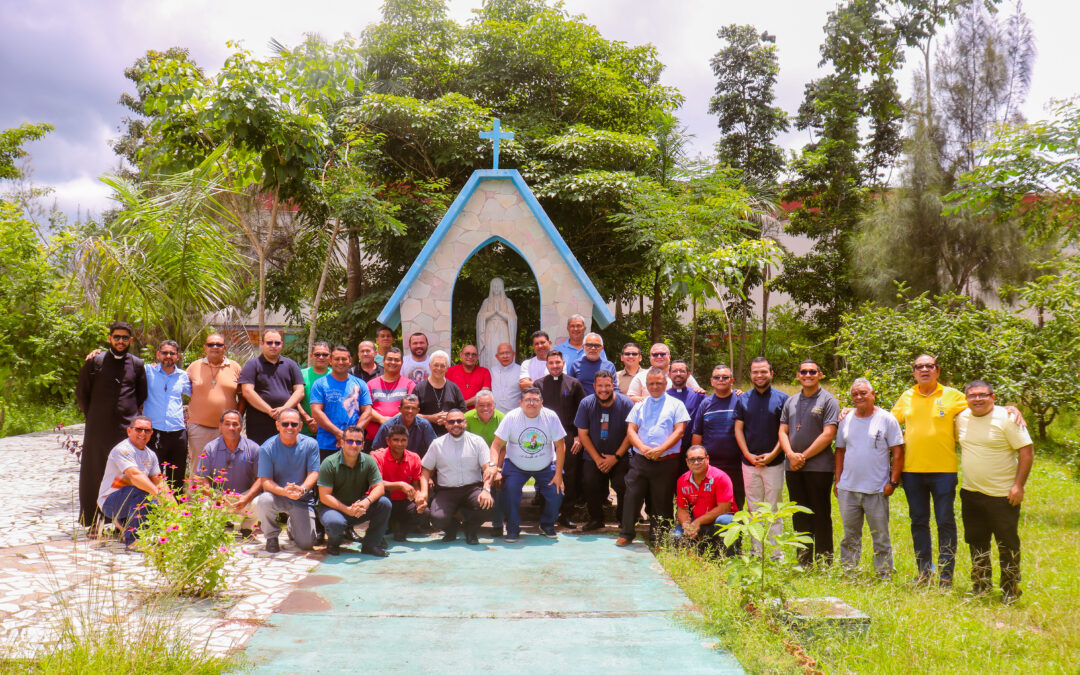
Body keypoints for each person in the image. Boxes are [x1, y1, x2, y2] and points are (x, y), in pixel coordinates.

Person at [890, 354, 1023, 586]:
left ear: (937, 371)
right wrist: (852, 410)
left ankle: (945, 575)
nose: (924, 370)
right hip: (912, 472)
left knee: (945, 521)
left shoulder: (953, 396)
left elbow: (980, 402)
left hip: (944, 472)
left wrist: (1009, 408)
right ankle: (924, 572)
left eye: (929, 366)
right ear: (913, 372)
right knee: (918, 521)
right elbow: (887, 421)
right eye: (919, 367)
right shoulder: (907, 396)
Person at [956, 380, 1033, 603]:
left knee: (1007, 544)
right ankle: (981, 585)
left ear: (993, 397)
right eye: (972, 395)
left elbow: (1026, 453)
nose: (977, 399)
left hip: (1002, 496)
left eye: (982, 395)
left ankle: (1010, 590)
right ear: (966, 399)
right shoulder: (962, 418)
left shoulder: (1008, 418)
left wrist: (1018, 485)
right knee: (976, 541)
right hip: (971, 493)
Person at [76, 321, 148, 529]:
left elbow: (141, 394)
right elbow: (82, 393)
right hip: (98, 428)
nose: (120, 341)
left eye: (125, 338)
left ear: (131, 341)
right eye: (116, 337)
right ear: (109, 338)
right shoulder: (95, 362)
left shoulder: (136, 364)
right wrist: (93, 414)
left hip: (125, 429)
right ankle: (95, 522)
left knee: (124, 474)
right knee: (95, 472)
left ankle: (123, 522)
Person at [834, 379, 904, 578]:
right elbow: (840, 451)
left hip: (876, 489)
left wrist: (893, 482)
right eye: (855, 394)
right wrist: (837, 481)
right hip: (848, 488)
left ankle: (884, 573)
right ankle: (849, 572)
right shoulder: (846, 419)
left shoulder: (886, 419)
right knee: (850, 535)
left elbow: (898, 452)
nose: (859, 397)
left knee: (880, 535)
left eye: (863, 393)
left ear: (873, 394)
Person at [616, 368, 691, 546]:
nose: (655, 386)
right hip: (641, 460)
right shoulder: (640, 405)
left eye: (659, 383)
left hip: (666, 461)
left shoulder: (676, 405)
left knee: (662, 499)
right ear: (646, 385)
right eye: (651, 383)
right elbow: (631, 431)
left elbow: (679, 431)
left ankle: (660, 537)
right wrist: (643, 447)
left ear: (666, 384)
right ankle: (627, 533)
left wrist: (660, 449)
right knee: (632, 495)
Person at [779, 360, 840, 567]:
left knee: (820, 513)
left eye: (812, 371)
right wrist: (790, 454)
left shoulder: (829, 400)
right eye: (803, 371)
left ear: (820, 374)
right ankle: (803, 559)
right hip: (793, 468)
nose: (808, 375)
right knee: (799, 513)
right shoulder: (791, 401)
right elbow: (782, 431)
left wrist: (801, 456)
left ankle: (824, 560)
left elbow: (829, 434)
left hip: (818, 467)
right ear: (798, 375)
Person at [490, 387, 567, 542]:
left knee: (556, 492)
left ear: (541, 403)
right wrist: (494, 467)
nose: (531, 403)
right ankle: (512, 528)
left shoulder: (551, 417)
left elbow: (560, 446)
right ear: (521, 403)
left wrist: (558, 474)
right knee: (509, 490)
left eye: (535, 400)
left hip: (545, 465)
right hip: (515, 465)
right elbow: (496, 445)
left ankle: (547, 524)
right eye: (527, 400)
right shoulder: (511, 417)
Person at [734, 357, 788, 556]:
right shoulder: (743, 399)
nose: (759, 375)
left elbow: (785, 431)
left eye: (763, 371)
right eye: (755, 372)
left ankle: (776, 554)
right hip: (749, 463)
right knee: (753, 509)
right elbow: (738, 429)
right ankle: (757, 552)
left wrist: (773, 454)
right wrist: (747, 454)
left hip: (774, 463)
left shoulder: (783, 399)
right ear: (750, 375)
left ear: (771, 373)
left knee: (773, 508)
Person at [419, 409, 495, 545]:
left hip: (472, 489)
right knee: (437, 518)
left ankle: (471, 529)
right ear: (446, 425)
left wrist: (486, 490)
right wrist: (423, 493)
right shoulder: (437, 444)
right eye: (451, 421)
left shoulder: (477, 441)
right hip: (447, 491)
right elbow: (425, 471)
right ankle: (452, 528)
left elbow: (487, 469)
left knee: (488, 505)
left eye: (459, 421)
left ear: (465, 423)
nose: (456, 424)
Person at [317, 425, 391, 556]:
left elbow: (379, 487)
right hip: (332, 509)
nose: (354, 445)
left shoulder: (368, 460)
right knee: (335, 522)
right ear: (341, 443)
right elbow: (324, 496)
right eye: (350, 441)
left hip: (358, 507)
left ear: (363, 445)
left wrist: (367, 502)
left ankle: (370, 545)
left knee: (384, 503)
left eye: (358, 442)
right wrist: (347, 510)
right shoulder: (328, 463)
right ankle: (333, 544)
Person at [252, 409, 320, 553]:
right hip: (277, 496)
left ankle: (292, 526)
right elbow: (266, 481)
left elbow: (314, 473)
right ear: (278, 425)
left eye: (294, 424)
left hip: (301, 497)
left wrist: (301, 489)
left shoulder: (311, 444)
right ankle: (271, 536)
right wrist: (284, 491)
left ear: (300, 426)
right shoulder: (267, 448)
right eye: (285, 424)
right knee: (264, 500)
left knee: (307, 544)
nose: (289, 427)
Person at [575, 370, 634, 530]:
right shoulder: (586, 403)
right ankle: (596, 519)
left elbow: (631, 434)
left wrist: (615, 457)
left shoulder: (626, 403)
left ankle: (624, 519)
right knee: (589, 482)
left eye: (607, 385)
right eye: (599, 386)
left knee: (622, 483)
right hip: (594, 456)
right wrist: (598, 459)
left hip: (619, 455)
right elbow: (583, 434)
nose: (603, 389)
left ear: (613, 385)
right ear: (594, 386)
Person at [97, 416, 170, 546]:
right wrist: (159, 495)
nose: (143, 433)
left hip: (132, 498)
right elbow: (135, 476)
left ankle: (124, 522)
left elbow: (160, 483)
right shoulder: (122, 449)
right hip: (110, 501)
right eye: (139, 429)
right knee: (142, 490)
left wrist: (173, 506)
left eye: (147, 431)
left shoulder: (151, 455)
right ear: (129, 431)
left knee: (157, 506)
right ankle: (133, 541)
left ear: (151, 433)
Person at [535, 350, 586, 528]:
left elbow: (583, 412)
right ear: (546, 365)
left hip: (569, 436)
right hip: (544, 437)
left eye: (558, 362)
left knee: (570, 475)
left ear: (563, 363)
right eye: (551, 363)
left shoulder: (574, 384)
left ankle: (567, 513)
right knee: (545, 473)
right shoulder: (538, 385)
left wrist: (580, 436)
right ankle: (547, 512)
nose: (555, 366)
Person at [194, 409, 262, 537]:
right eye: (227, 424)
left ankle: (247, 528)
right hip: (219, 496)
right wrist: (218, 497)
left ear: (241, 426)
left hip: (244, 496)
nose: (231, 428)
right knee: (203, 504)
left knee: (262, 501)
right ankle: (215, 528)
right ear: (220, 427)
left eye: (235, 424)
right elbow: (202, 480)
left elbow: (261, 478)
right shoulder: (210, 448)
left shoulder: (253, 448)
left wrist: (246, 498)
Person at [186, 333, 244, 479]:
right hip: (199, 427)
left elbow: (243, 396)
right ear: (205, 348)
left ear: (224, 348)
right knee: (198, 468)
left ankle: (223, 500)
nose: (215, 347)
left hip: (227, 429)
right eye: (211, 344)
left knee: (226, 467)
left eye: (219, 345)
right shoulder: (194, 366)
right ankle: (196, 501)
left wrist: (238, 418)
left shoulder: (235, 367)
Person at [239, 330, 306, 445]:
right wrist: (269, 411)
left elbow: (299, 391)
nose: (273, 346)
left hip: (286, 425)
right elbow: (247, 392)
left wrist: (284, 409)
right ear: (262, 344)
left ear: (282, 345)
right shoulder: (252, 365)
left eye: (277, 343)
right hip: (259, 426)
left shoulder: (291, 365)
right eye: (269, 343)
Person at [692, 364, 743, 509]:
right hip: (711, 466)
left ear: (732, 380)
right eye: (717, 377)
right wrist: (697, 460)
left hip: (737, 464)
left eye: (725, 377)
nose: (721, 380)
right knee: (711, 503)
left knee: (736, 502)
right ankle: (711, 531)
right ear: (711, 381)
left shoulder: (741, 400)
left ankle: (737, 531)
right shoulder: (705, 404)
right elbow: (697, 434)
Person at [143, 340, 191, 490]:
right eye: (165, 353)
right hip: (154, 432)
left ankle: (176, 511)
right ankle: (151, 511)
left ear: (178, 356)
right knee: (152, 477)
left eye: (172, 353)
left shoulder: (183, 376)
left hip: (177, 433)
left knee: (176, 478)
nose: (168, 356)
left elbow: (198, 393)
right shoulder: (147, 371)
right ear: (158, 355)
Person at [310, 345, 373, 461]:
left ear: (350, 361)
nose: (340, 362)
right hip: (326, 444)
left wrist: (352, 435)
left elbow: (368, 412)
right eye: (336, 359)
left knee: (354, 478)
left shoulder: (360, 384)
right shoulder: (320, 384)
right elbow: (316, 412)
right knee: (327, 478)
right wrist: (339, 434)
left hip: (354, 444)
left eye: (344, 359)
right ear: (330, 361)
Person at [671, 445, 736, 553]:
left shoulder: (720, 477)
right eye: (692, 460)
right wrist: (687, 525)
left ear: (707, 459)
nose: (696, 462)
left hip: (719, 521)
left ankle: (729, 556)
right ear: (687, 462)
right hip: (698, 522)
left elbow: (724, 508)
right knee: (676, 535)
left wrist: (698, 522)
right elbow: (682, 508)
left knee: (724, 521)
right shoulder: (682, 480)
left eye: (700, 459)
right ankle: (697, 555)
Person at [371, 424, 425, 541]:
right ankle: (386, 526)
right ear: (388, 441)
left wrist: (419, 498)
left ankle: (400, 527)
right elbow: (376, 483)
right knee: (383, 503)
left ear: (407, 441)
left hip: (404, 500)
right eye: (395, 440)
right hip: (385, 500)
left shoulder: (414, 458)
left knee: (424, 512)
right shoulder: (377, 457)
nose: (400, 444)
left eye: (403, 440)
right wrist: (400, 484)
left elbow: (416, 485)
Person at [465, 390, 506, 536]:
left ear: (494, 405)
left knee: (499, 484)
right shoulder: (467, 418)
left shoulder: (502, 418)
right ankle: (468, 521)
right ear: (475, 406)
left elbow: (503, 448)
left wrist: (498, 469)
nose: (485, 408)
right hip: (472, 462)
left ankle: (497, 524)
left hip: (496, 462)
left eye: (489, 404)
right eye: (481, 405)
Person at [365, 347, 414, 441]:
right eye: (389, 359)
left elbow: (410, 409)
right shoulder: (371, 384)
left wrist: (391, 421)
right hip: (374, 440)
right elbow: (366, 408)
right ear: (383, 361)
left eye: (397, 360)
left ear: (402, 363)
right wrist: (381, 419)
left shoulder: (409, 384)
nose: (393, 362)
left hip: (400, 441)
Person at [626, 343, 704, 402]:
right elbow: (630, 398)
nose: (659, 357)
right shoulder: (640, 377)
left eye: (662, 354)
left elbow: (697, 391)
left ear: (669, 357)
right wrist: (654, 400)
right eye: (655, 355)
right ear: (650, 358)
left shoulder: (680, 374)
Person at [415, 350, 466, 436]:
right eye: (436, 365)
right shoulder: (419, 388)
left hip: (451, 436)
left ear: (447, 368)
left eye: (442, 366)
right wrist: (430, 418)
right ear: (430, 366)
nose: (439, 368)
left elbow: (464, 412)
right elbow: (411, 413)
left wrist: (450, 417)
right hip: (424, 436)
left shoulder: (454, 388)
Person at [372, 394, 437, 458]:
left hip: (418, 465)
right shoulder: (388, 426)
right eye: (407, 408)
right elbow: (374, 452)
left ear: (418, 411)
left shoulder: (424, 425)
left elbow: (435, 448)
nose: (410, 411)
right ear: (400, 409)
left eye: (413, 408)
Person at [476, 277, 517, 372]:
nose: (496, 289)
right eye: (494, 287)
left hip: (503, 330)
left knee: (504, 350)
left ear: (502, 288)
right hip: (490, 331)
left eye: (498, 287)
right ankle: (489, 374)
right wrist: (493, 313)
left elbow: (513, 318)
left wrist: (500, 313)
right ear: (491, 288)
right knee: (491, 352)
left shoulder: (508, 302)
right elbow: (480, 317)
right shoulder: (486, 302)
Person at [667, 359, 705, 460]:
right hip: (669, 448)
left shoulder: (698, 395)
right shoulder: (663, 397)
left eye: (682, 371)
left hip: (692, 447)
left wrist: (735, 393)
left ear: (688, 374)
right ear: (669, 375)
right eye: (674, 371)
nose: (678, 374)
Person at [299, 342, 331, 438]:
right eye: (317, 354)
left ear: (330, 356)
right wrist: (307, 418)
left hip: (330, 432)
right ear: (311, 356)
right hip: (305, 431)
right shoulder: (301, 374)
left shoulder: (336, 375)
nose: (321, 357)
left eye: (325, 354)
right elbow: (295, 399)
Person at [446, 344, 492, 409]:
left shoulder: (484, 372)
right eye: (467, 354)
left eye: (474, 355)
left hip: (477, 413)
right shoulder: (450, 371)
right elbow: (445, 393)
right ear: (461, 355)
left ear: (477, 357)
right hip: (454, 412)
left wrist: (463, 404)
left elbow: (484, 394)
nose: (470, 357)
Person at [489, 342, 522, 413]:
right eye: (501, 354)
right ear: (497, 356)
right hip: (495, 414)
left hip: (515, 414)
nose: (505, 356)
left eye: (508, 353)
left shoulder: (521, 370)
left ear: (513, 354)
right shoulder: (492, 371)